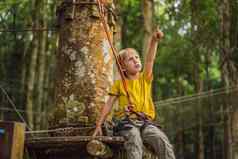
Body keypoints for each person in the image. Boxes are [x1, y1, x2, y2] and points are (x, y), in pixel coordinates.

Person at [93, 27, 175, 159]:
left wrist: (154, 41)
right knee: (134, 140)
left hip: (145, 122)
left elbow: (150, 60)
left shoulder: (145, 79)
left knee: (161, 140)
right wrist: (98, 124)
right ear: (123, 67)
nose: (136, 60)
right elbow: (108, 105)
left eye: (137, 57)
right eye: (130, 59)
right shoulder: (119, 84)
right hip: (126, 123)